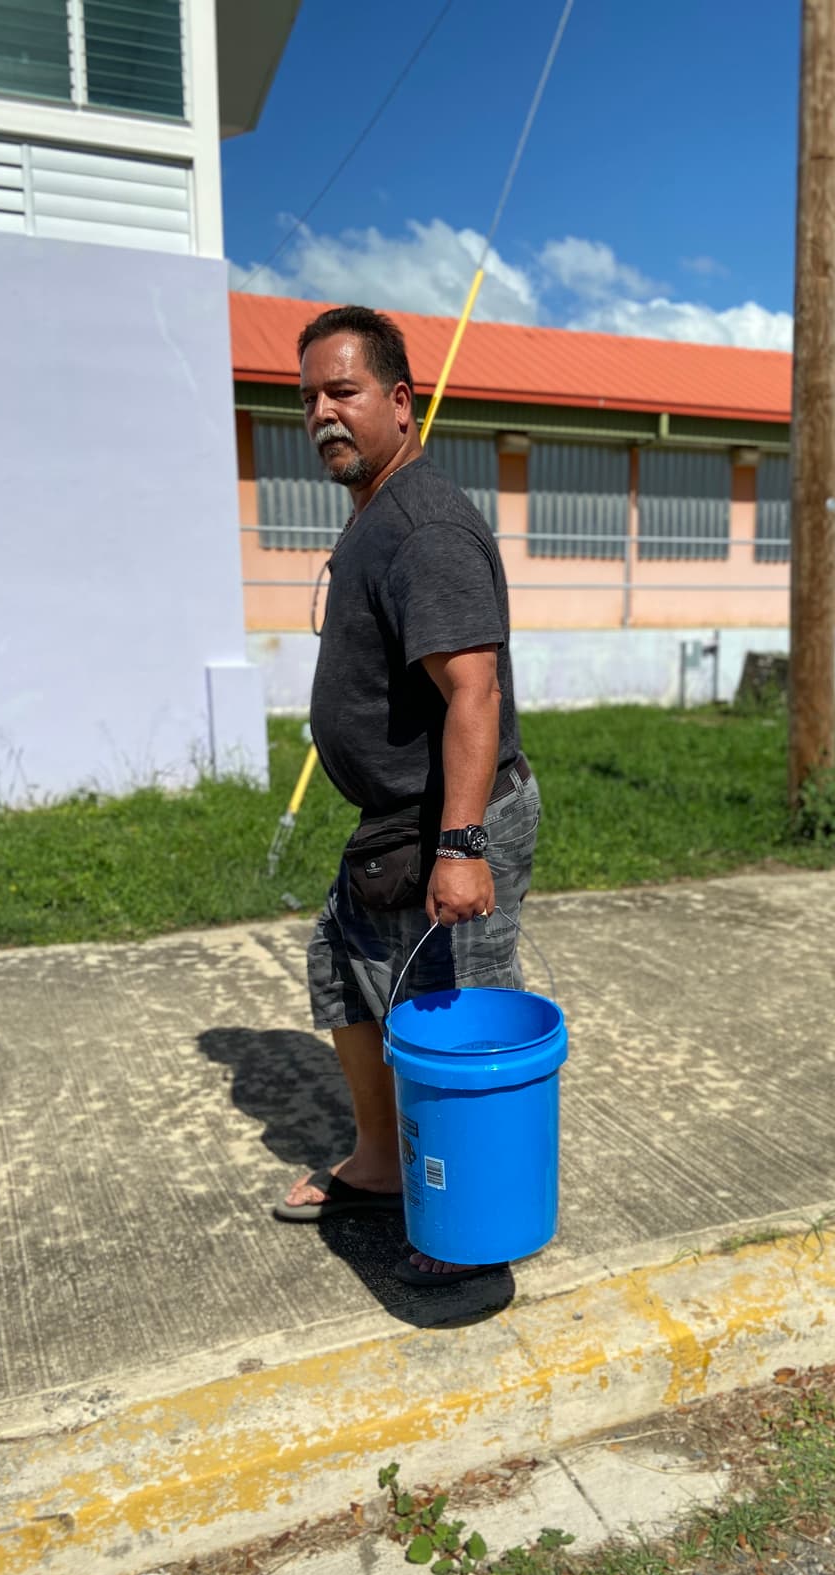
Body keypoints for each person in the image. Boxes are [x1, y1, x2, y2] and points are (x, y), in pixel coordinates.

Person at [274, 305, 540, 1288]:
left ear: (397, 400)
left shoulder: (424, 526)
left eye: (341, 392)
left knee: (451, 1024)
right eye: (307, 398)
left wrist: (460, 847)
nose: (321, 415)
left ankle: (473, 1240)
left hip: (446, 825)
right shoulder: (377, 510)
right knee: (342, 970)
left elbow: (473, 690)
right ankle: (386, 1167)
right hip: (391, 822)